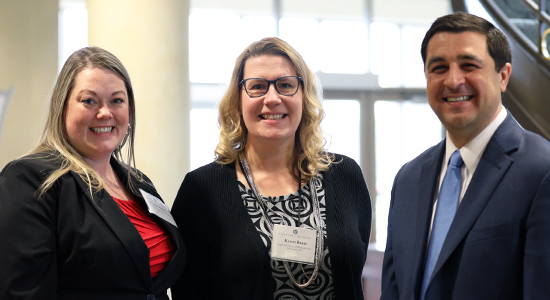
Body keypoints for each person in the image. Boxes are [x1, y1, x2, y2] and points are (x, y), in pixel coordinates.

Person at [170, 37, 371, 299]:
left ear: (303, 96)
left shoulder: (344, 174)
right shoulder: (202, 189)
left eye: (286, 85)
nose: (272, 98)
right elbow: (187, 290)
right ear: (238, 101)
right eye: (258, 87)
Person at [380, 12, 550, 300]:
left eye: (469, 65)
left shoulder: (541, 171)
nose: (453, 80)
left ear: (504, 76)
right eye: (439, 68)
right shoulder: (408, 178)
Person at [0, 47, 185, 300]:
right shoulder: (29, 179)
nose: (105, 112)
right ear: (60, 104)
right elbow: (22, 292)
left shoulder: (139, 182)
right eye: (89, 101)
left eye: (117, 100)